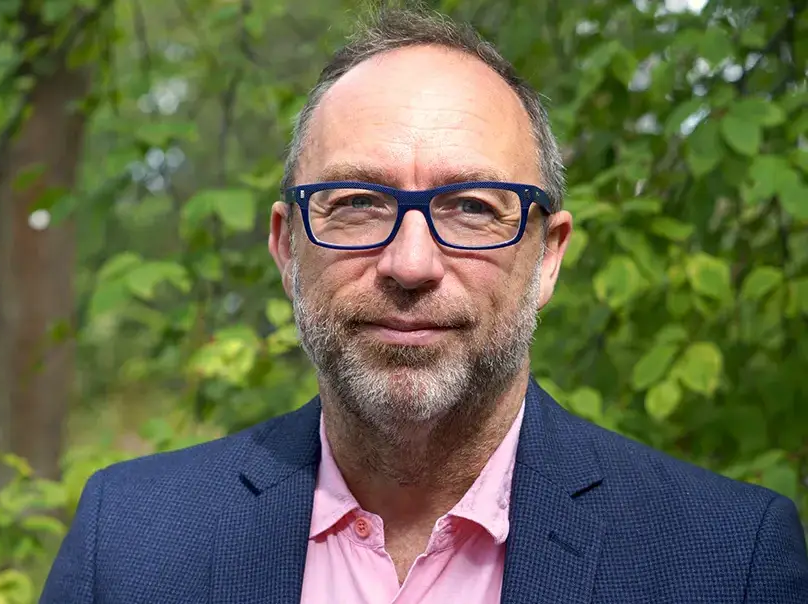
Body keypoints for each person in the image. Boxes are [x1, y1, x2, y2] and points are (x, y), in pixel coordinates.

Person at [39, 6, 808, 604]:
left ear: (547, 257)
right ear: (286, 248)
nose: (410, 264)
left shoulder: (725, 561)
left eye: (472, 208)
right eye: (357, 203)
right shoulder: (131, 540)